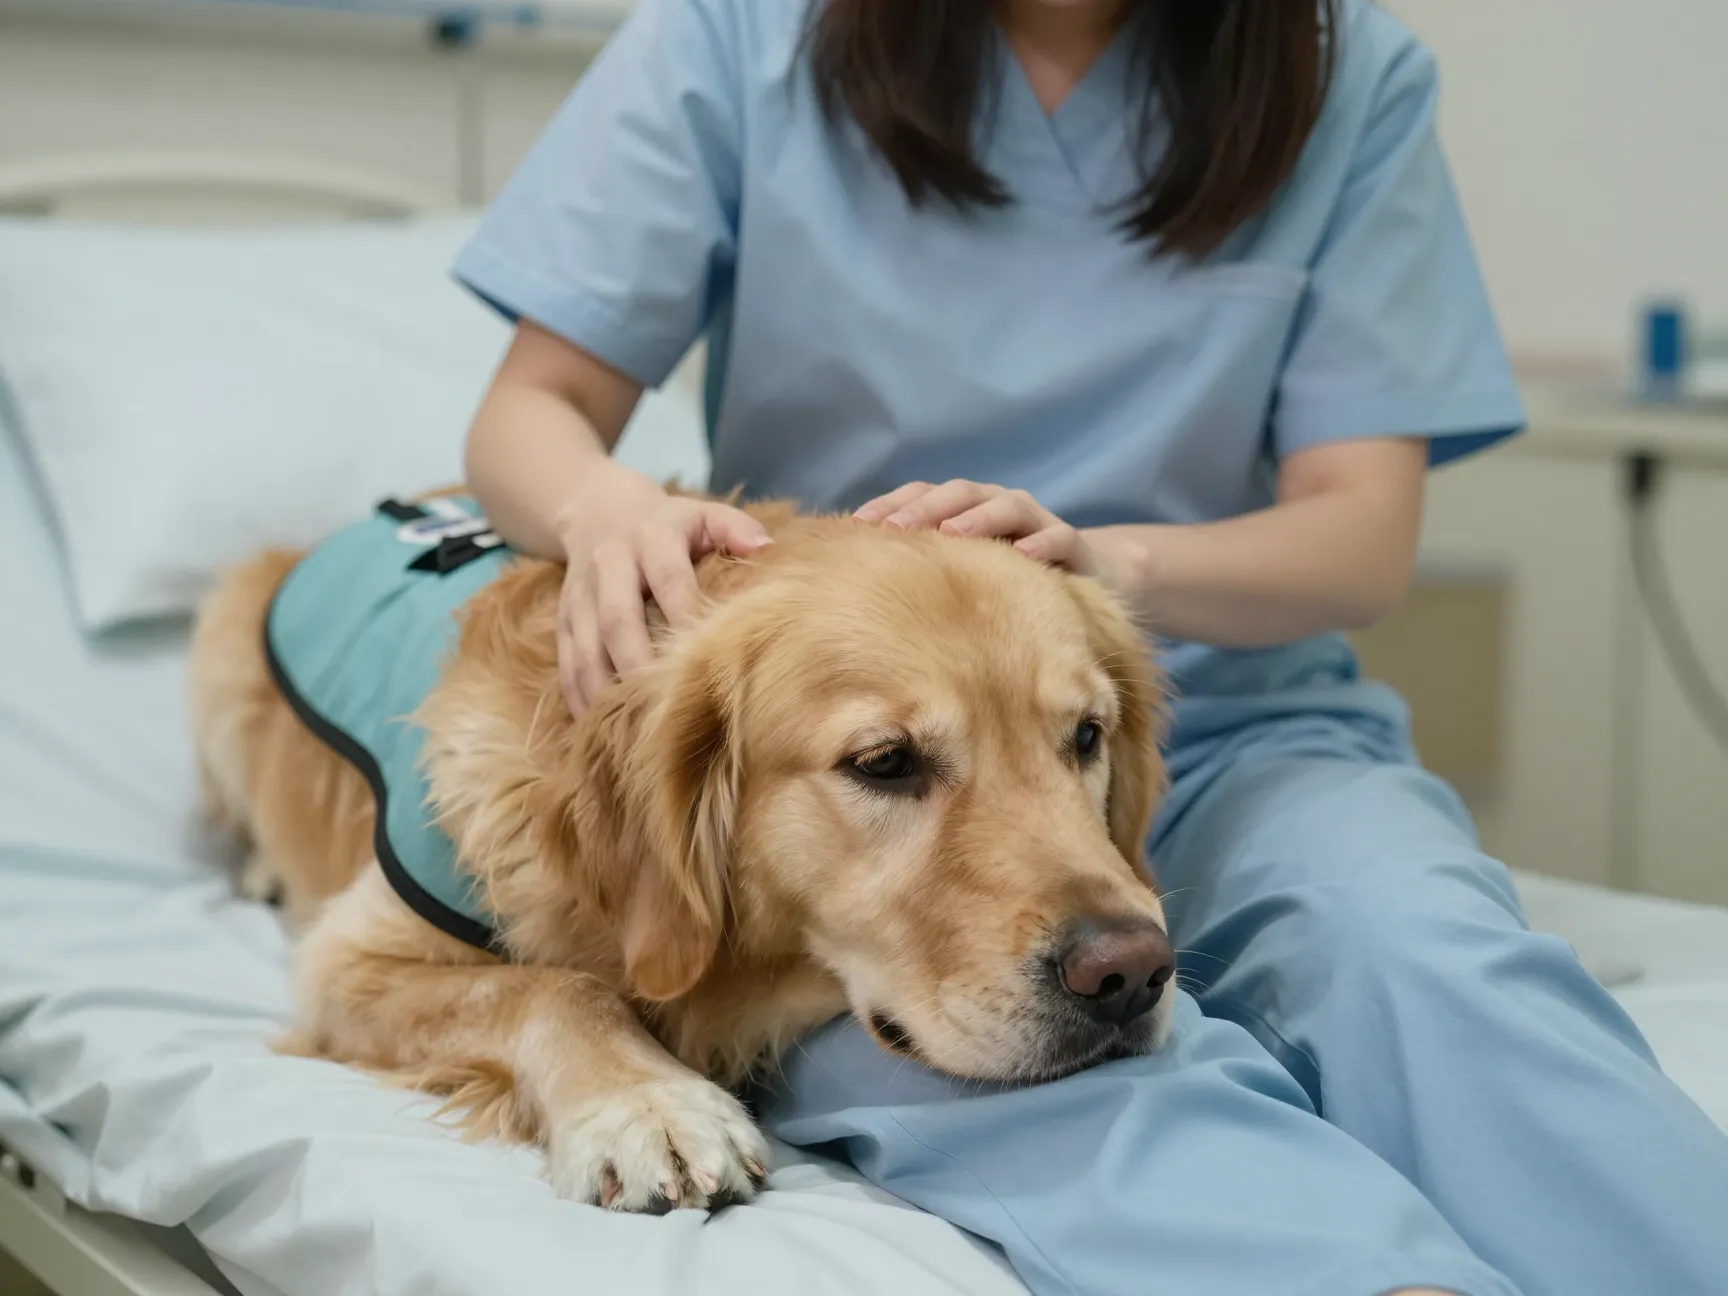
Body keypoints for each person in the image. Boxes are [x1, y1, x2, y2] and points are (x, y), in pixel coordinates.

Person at [452, 0, 1728, 1291]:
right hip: (855, 764)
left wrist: (1110, 566)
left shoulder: (1347, 71)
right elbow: (533, 408)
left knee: (1423, 954)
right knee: (1008, 1057)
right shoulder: (737, 36)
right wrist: (600, 507)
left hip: (1229, 724)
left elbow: (1361, 540)